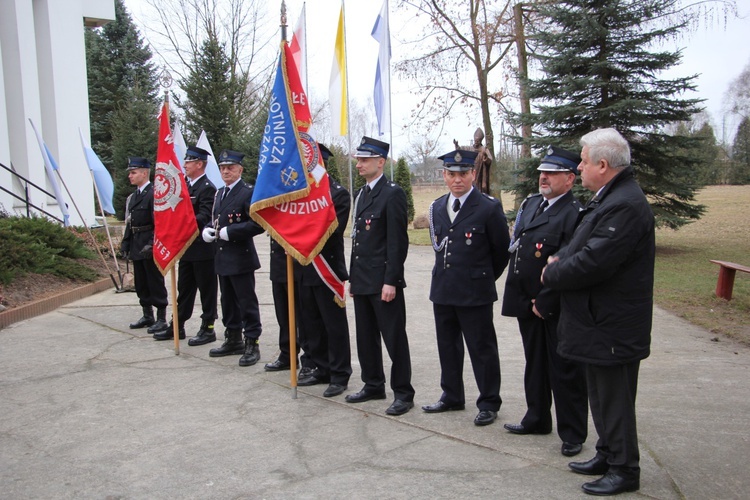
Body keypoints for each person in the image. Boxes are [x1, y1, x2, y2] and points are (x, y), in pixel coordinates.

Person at [542, 128, 654, 496]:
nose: (579, 166)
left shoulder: (625, 203)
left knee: (615, 398)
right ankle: (607, 453)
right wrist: (562, 258)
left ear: (603, 165)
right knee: (600, 395)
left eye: (584, 160)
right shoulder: (608, 197)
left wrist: (553, 270)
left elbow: (594, 261)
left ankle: (624, 469)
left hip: (612, 324)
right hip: (596, 321)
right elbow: (580, 244)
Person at [501, 146, 588, 455]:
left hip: (552, 305)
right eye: (542, 172)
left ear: (570, 177)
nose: (544, 178)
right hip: (527, 300)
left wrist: (545, 301)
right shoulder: (534, 204)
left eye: (551, 173)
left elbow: (567, 260)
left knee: (564, 369)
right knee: (534, 363)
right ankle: (536, 417)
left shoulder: (574, 214)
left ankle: (573, 433)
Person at [421, 149, 509, 426]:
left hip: (475, 292)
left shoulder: (488, 207)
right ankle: (452, 395)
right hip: (444, 289)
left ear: (473, 174)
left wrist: (482, 278)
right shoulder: (437, 207)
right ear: (444, 176)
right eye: (451, 174)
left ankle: (489, 402)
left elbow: (501, 252)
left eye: (462, 174)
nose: (457, 179)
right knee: (447, 346)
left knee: (482, 349)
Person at [345, 136, 415, 416]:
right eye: (358, 159)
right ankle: (373, 383)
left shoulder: (392, 193)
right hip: (362, 278)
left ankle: (403, 393)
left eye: (364, 160)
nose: (359, 164)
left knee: (394, 337)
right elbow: (357, 240)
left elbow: (398, 242)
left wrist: (391, 280)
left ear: (380, 162)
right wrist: (352, 277)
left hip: (383, 281)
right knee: (365, 337)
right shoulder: (361, 194)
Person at [295, 144, 353, 398]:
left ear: (323, 164)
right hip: (303, 267)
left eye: (312, 163)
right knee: (310, 323)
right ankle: (322, 367)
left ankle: (340, 374)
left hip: (327, 267)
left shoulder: (337, 194)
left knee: (333, 324)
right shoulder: (299, 193)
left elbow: (332, 230)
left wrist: (298, 236)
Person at [201, 149, 265, 367]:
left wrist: (231, 232)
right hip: (221, 256)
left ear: (240, 169)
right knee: (227, 301)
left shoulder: (248, 192)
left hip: (240, 256)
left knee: (246, 302)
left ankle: (252, 342)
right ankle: (233, 337)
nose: (226, 171)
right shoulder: (219, 193)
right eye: (222, 168)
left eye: (230, 167)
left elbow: (258, 224)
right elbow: (215, 219)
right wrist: (208, 229)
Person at [154, 145, 218, 343]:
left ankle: (207, 327)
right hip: (186, 248)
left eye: (189, 162)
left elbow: (204, 216)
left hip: (203, 249)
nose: (185, 165)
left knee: (207, 291)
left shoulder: (207, 188)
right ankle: (178, 324)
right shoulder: (186, 187)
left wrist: (181, 223)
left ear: (200, 164)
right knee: (184, 289)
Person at [121, 156, 168, 334]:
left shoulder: (154, 194)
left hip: (149, 244)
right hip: (136, 242)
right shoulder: (134, 197)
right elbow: (130, 222)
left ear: (144, 173)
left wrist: (152, 243)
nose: (130, 176)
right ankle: (147, 315)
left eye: (133, 173)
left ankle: (162, 318)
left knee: (154, 281)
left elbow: (160, 223)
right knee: (141, 282)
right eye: (130, 173)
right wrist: (126, 243)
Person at [263, 238, 315, 376]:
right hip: (278, 262)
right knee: (283, 314)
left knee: (303, 317)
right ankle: (287, 354)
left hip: (296, 261)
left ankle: (310, 359)